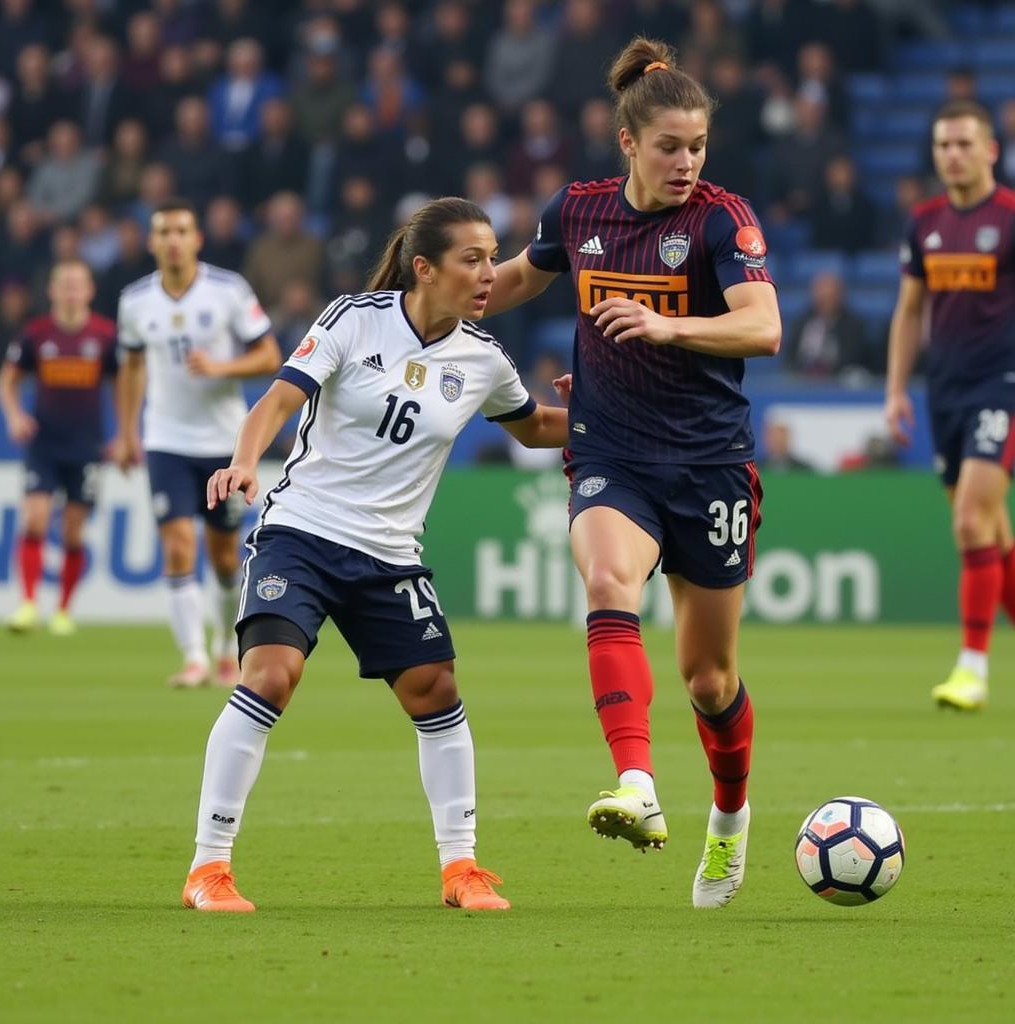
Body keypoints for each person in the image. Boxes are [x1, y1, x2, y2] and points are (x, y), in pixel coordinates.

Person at [180, 197, 569, 914]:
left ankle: (462, 870)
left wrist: (606, 420)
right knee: (270, 676)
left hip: (389, 556)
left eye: (493, 257)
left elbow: (536, 428)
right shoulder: (354, 318)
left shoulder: (482, 359)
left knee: (436, 690)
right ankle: (209, 869)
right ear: (425, 267)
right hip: (300, 532)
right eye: (472, 260)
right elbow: (278, 399)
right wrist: (243, 460)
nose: (491, 274)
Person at [485, 37, 780, 909]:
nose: (686, 162)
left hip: (710, 463)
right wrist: (419, 299)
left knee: (708, 679)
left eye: (696, 146)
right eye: (669, 146)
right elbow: (513, 283)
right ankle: (637, 784)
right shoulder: (577, 213)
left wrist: (668, 329)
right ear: (628, 142)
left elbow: (763, 327)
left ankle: (728, 822)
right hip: (611, 449)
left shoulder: (723, 220)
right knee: (609, 581)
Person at [114, 198, 281, 688]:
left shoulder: (228, 291)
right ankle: (193, 658)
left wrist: (221, 368)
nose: (172, 240)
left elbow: (270, 355)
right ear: (152, 241)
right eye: (163, 231)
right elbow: (131, 366)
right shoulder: (135, 300)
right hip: (165, 439)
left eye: (181, 231)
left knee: (226, 556)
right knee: (178, 545)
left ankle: (226, 648)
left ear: (196, 239)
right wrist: (126, 432)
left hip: (224, 443)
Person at [886, 100, 1015, 712]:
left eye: (964, 144)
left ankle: (971, 669)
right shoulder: (926, 222)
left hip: (1003, 385)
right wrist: (894, 389)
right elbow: (910, 311)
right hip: (946, 391)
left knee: (969, 520)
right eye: (943, 146)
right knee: (992, 530)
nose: (953, 155)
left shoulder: (1012, 218)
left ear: (990, 150)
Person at [0, 259, 117, 635]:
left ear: (89, 291)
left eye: (76, 284)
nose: (70, 291)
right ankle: (28, 603)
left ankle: (63, 610)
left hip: (86, 446)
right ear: (51, 290)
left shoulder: (105, 335)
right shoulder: (35, 334)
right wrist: (15, 416)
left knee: (73, 532)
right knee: (34, 518)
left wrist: (125, 434)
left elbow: (125, 384)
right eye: (63, 284)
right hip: (44, 444)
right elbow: (7, 381)